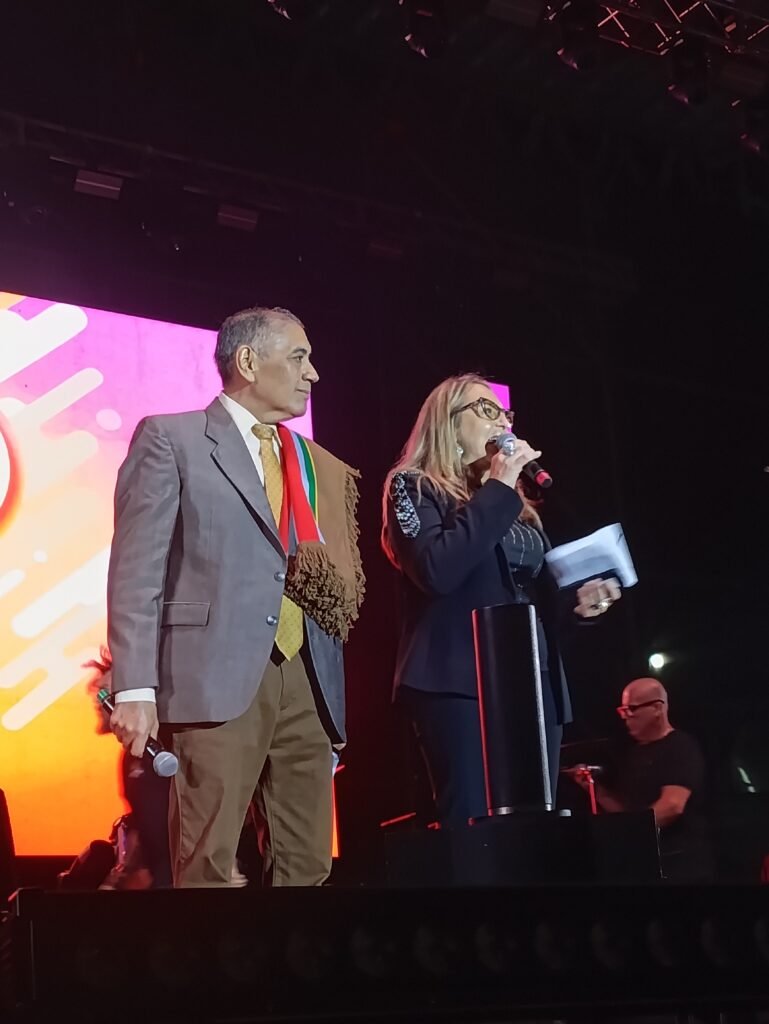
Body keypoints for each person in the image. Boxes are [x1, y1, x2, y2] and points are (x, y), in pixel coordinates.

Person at [106, 306, 365, 887]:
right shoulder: (171, 438)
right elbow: (136, 571)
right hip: (213, 676)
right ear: (248, 361)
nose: (313, 373)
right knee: (207, 865)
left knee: (308, 867)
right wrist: (135, 687)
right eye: (298, 357)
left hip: (306, 676)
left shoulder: (312, 462)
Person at [381, 373, 620, 828]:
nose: (503, 423)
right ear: (449, 425)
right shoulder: (413, 487)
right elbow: (436, 569)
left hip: (533, 682)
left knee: (536, 827)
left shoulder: (517, 509)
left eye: (505, 413)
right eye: (486, 410)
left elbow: (532, 601)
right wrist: (500, 485)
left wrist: (579, 605)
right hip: (458, 680)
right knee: (476, 827)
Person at [571, 677, 713, 882]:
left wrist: (631, 834)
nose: (625, 717)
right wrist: (596, 790)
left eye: (631, 709)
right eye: (622, 710)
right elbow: (628, 814)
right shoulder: (634, 755)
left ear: (657, 708)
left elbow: (672, 805)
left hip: (680, 868)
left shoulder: (680, 746)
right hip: (646, 867)